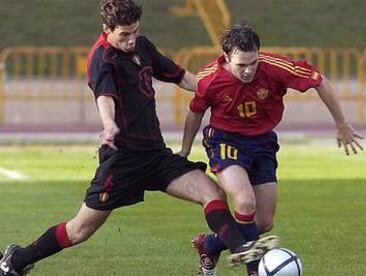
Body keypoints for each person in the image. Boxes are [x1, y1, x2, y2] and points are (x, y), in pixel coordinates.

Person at [0, 3, 278, 276]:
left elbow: (180, 76)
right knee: (80, 230)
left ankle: (250, 262)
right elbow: (104, 97)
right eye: (124, 34)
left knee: (212, 193)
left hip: (155, 154)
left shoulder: (141, 46)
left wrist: (214, 90)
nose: (131, 39)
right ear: (107, 29)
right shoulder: (102, 58)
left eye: (135, 31)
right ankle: (16, 260)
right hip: (122, 160)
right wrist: (108, 124)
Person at [179, 23, 364, 276]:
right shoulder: (210, 78)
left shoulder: (275, 67)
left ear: (259, 53)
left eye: (253, 62)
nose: (248, 70)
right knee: (244, 202)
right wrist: (184, 151)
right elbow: (195, 111)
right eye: (240, 65)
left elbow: (319, 81)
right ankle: (255, 272)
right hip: (225, 140)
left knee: (262, 224)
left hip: (263, 143)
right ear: (226, 57)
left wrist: (341, 124)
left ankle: (210, 244)